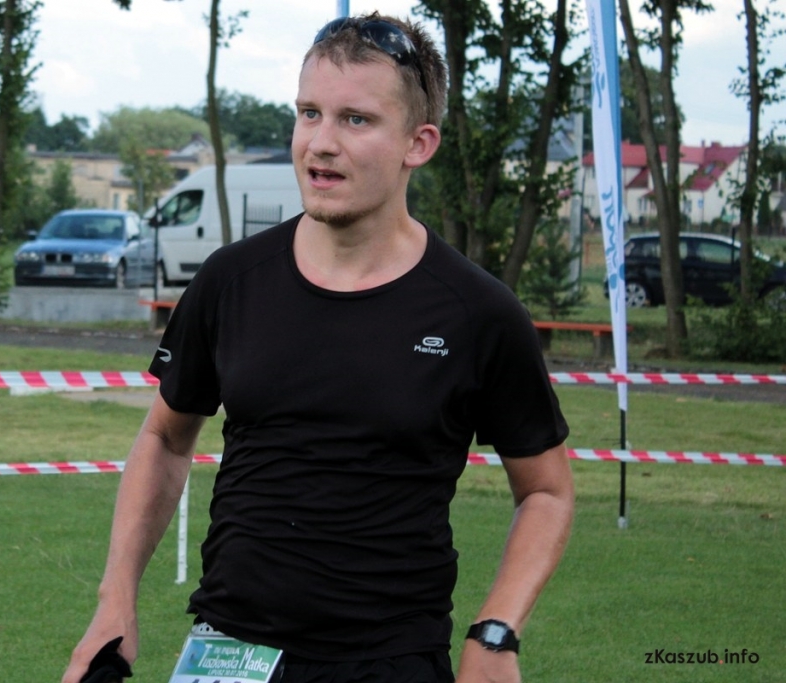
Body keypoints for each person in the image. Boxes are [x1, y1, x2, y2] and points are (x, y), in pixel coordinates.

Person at [63, 12, 573, 683]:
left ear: (418, 143)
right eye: (309, 114)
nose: (320, 143)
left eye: (355, 120)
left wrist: (496, 633)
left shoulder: (478, 313)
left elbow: (547, 492)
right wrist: (115, 599)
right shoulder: (230, 281)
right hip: (226, 653)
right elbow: (164, 438)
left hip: (387, 662)